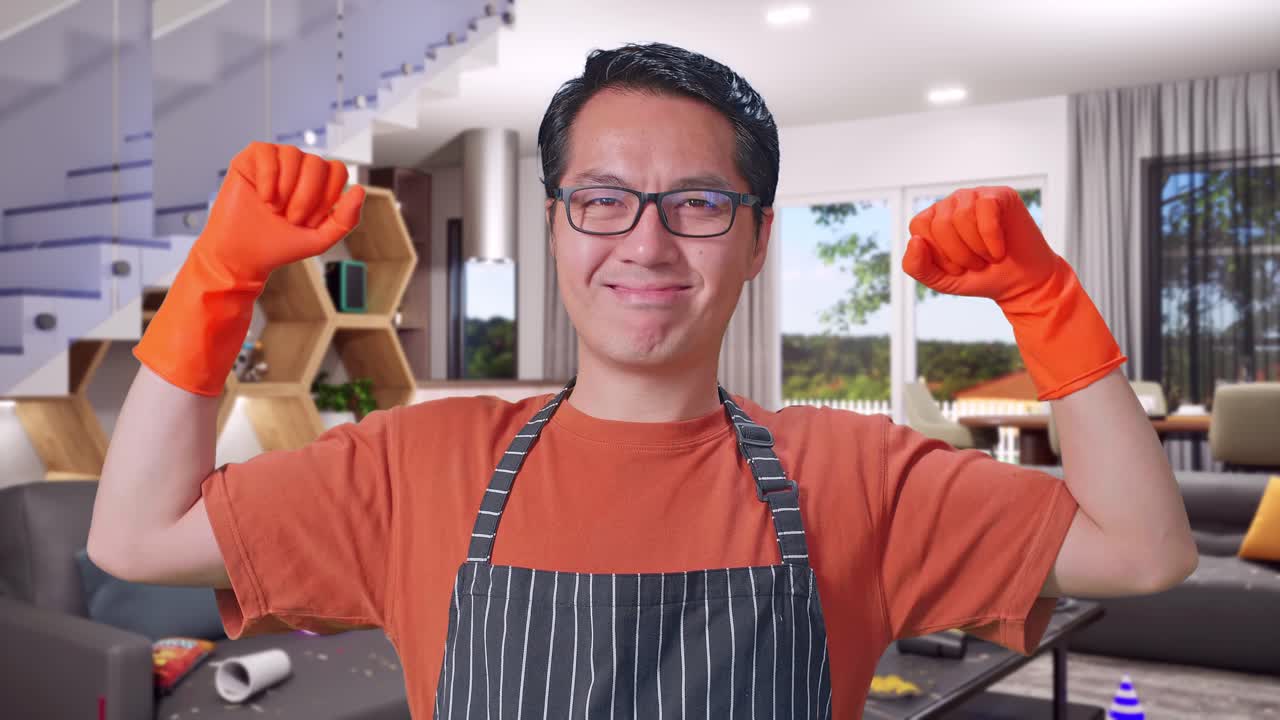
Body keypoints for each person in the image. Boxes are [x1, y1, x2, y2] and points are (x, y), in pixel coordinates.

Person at [88, 42, 1197, 719]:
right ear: (558, 225)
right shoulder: (418, 461)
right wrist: (216, 281)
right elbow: (134, 538)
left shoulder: (853, 471)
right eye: (603, 198)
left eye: (699, 204)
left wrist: (1048, 307)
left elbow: (1142, 550)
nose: (647, 243)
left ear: (756, 239)